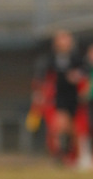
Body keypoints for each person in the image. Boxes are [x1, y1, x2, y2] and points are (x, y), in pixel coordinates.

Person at [36, 29, 84, 162]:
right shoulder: (50, 59)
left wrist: (77, 76)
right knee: (59, 126)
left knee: (72, 129)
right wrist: (40, 93)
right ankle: (59, 154)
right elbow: (42, 77)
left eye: (66, 38)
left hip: (75, 97)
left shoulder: (76, 58)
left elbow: (85, 72)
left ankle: (71, 154)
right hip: (58, 97)